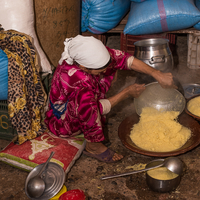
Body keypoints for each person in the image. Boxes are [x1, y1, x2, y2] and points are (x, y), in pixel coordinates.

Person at [45, 35, 175, 163]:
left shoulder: (89, 56)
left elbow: (125, 60)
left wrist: (157, 74)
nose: (106, 70)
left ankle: (97, 115)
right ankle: (93, 147)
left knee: (112, 66)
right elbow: (92, 109)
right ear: (84, 68)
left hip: (83, 99)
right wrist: (126, 93)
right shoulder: (78, 81)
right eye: (101, 69)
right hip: (63, 121)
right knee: (90, 107)